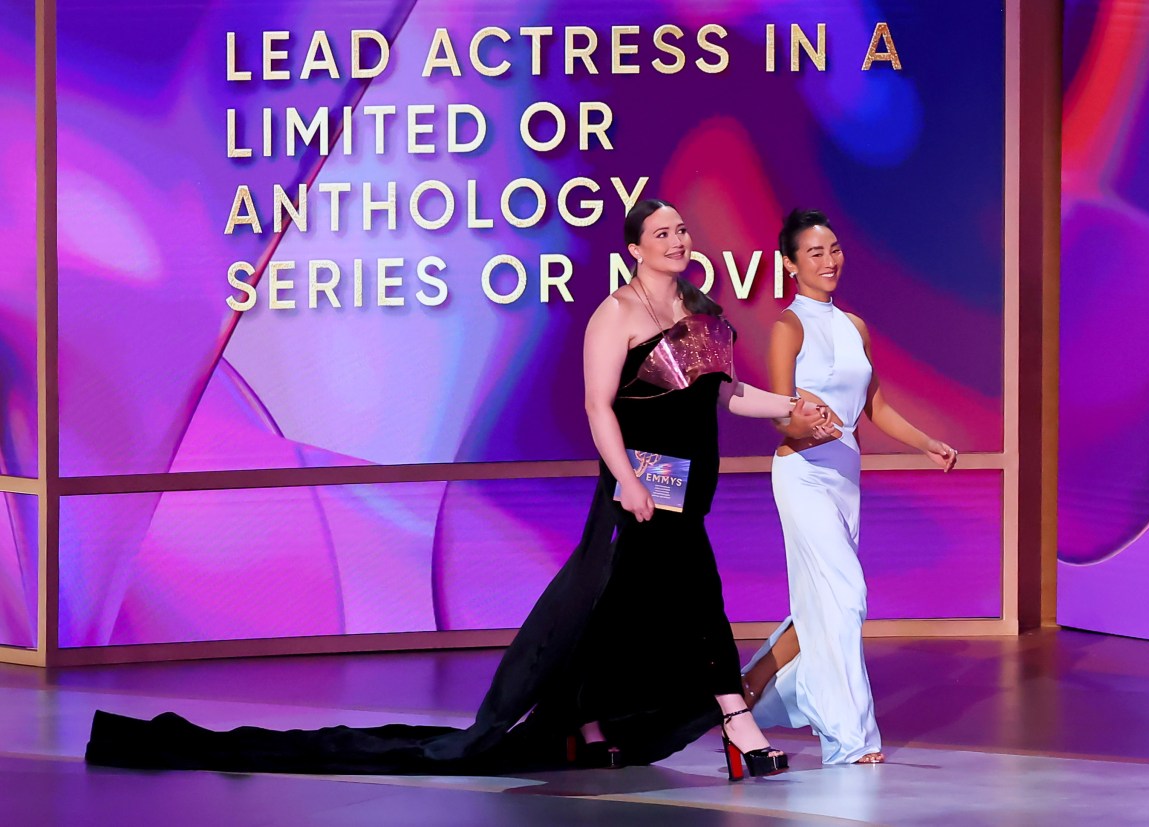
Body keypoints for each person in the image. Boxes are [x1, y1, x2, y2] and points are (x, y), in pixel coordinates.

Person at [85, 199, 829, 781]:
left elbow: (731, 398)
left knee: (615, 614)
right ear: (634, 247)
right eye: (662, 232)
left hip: (686, 489)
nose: (677, 240)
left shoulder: (699, 314)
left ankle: (592, 725)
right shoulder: (616, 315)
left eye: (680, 232)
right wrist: (628, 480)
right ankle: (738, 724)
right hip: (637, 491)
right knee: (696, 601)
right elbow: (598, 407)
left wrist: (789, 407)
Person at [740, 209, 958, 766]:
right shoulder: (788, 327)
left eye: (834, 248)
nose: (829, 260)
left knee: (823, 601)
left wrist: (926, 442)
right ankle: (849, 739)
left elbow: (875, 406)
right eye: (814, 252)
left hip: (845, 477)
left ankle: (748, 691)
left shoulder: (854, 326)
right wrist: (804, 424)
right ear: (790, 264)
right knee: (845, 597)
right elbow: (779, 413)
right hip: (802, 473)